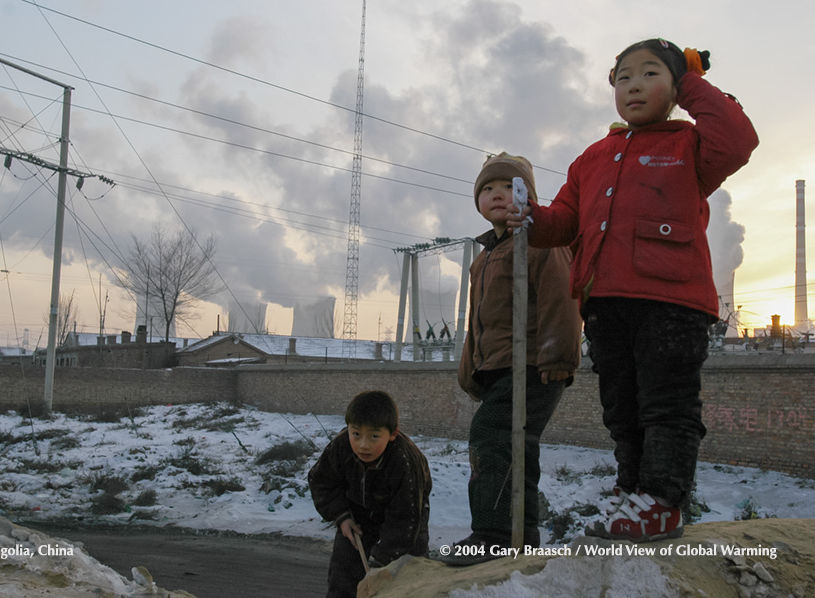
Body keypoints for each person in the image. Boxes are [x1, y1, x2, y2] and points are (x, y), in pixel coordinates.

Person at [507, 39, 758, 542]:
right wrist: (532, 217)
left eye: (650, 74)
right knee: (621, 405)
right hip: (604, 300)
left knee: (666, 403)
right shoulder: (593, 157)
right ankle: (632, 490)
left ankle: (663, 499)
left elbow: (738, 141)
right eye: (623, 78)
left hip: (672, 301)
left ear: (677, 87)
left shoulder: (691, 144)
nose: (634, 85)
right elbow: (565, 221)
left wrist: (692, 80)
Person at [444, 153, 582, 564]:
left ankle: (495, 534)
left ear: (527, 195)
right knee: (513, 446)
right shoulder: (483, 257)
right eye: (487, 189)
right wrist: (470, 369)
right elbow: (477, 320)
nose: (497, 195)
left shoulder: (541, 242)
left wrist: (558, 354)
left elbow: (563, 298)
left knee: (492, 435)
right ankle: (520, 537)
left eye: (508, 186)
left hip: (535, 367)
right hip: (500, 369)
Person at [308, 390, 431, 597]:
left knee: (403, 583)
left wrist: (380, 562)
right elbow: (322, 481)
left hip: (407, 521)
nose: (363, 445)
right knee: (343, 581)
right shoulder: (341, 446)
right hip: (357, 517)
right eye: (356, 434)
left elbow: (404, 518)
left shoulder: (404, 461)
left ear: (392, 434)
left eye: (374, 436)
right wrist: (342, 516)